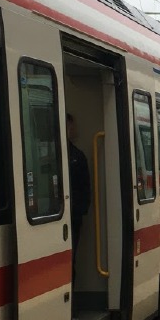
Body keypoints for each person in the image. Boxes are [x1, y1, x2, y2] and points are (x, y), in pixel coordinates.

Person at [66, 113, 91, 287]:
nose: (73, 130)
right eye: (70, 127)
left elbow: (85, 188)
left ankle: (71, 304)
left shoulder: (77, 156)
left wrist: (78, 210)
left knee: (70, 260)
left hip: (72, 218)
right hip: (64, 215)